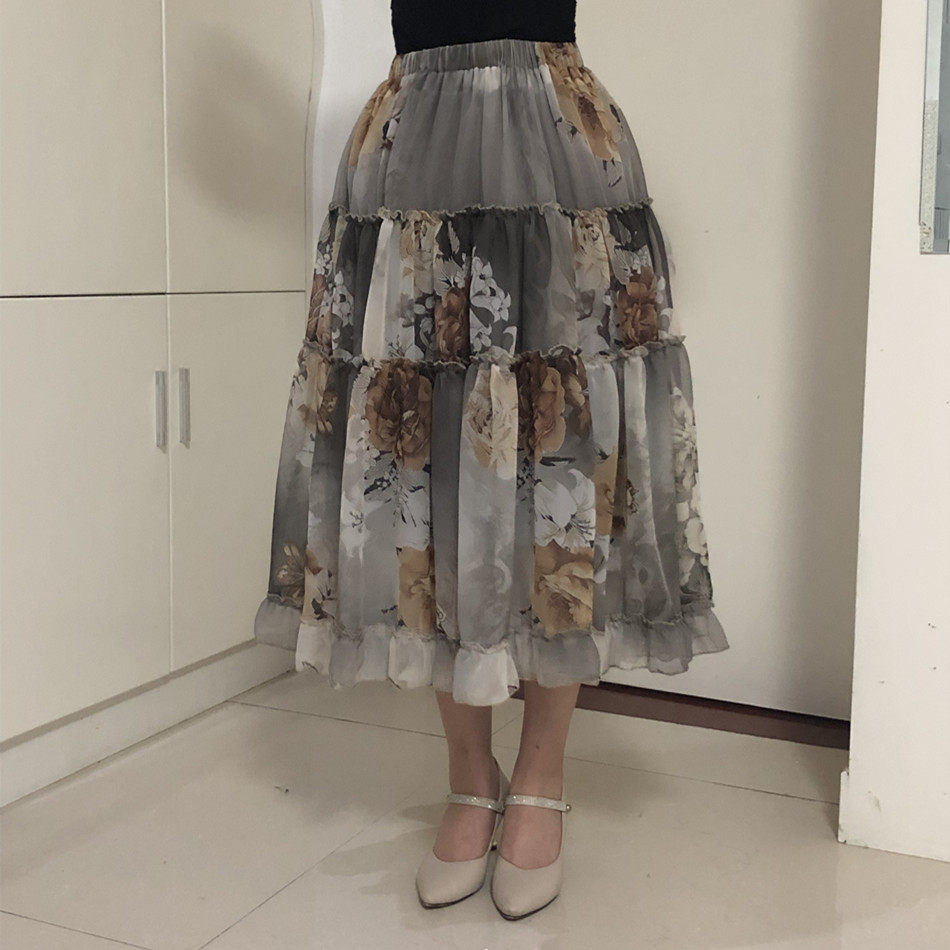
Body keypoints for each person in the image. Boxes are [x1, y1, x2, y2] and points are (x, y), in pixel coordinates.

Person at [254, 0, 729, 920]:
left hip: (551, 132)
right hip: (415, 138)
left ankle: (543, 776)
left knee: (562, 456)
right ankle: (471, 776)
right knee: (426, 458)